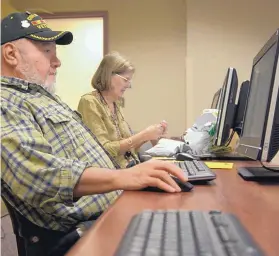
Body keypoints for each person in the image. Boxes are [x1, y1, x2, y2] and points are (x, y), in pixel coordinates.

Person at [1, 12, 187, 255]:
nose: (57, 61)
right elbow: (37, 176)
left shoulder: (42, 98)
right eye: (47, 51)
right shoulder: (6, 102)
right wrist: (125, 177)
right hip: (83, 232)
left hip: (114, 209)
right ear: (11, 54)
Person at [77, 52, 168, 168]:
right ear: (109, 75)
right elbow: (103, 150)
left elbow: (127, 150)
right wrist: (144, 135)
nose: (129, 85)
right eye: (126, 80)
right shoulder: (89, 102)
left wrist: (151, 136)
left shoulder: (116, 102)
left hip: (130, 167)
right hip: (112, 175)